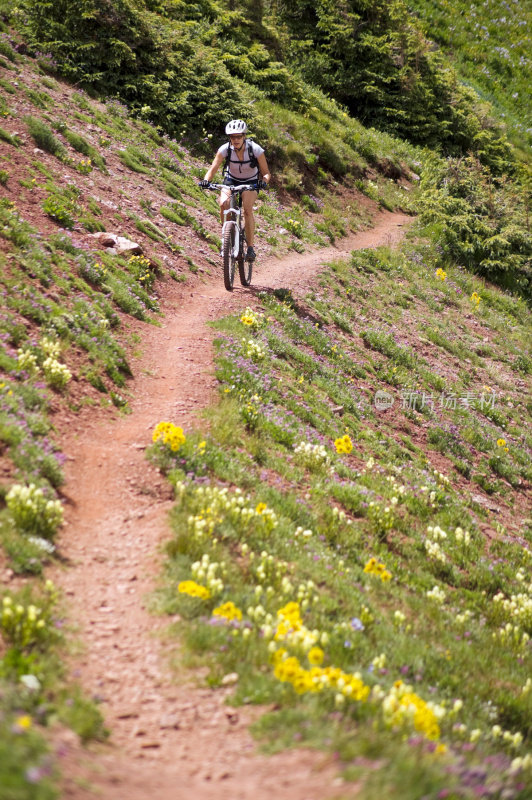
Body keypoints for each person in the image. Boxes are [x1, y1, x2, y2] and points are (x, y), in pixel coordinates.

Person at [200, 120, 271, 262]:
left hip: (250, 182)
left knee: (247, 209)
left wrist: (263, 183)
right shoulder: (224, 149)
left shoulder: (255, 149)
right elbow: (213, 168)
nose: (236, 140)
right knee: (223, 204)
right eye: (233, 137)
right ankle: (227, 236)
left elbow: (266, 173)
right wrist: (206, 180)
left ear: (244, 136)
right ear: (229, 138)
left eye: (239, 136)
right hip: (231, 179)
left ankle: (250, 248)